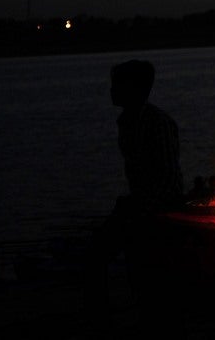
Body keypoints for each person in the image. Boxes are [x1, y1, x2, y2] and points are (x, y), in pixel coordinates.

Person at [88, 60, 184, 290]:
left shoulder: (157, 124)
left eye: (118, 85)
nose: (112, 90)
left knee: (105, 253)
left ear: (135, 88)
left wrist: (139, 209)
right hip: (140, 204)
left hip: (159, 207)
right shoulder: (127, 122)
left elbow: (167, 179)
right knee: (101, 254)